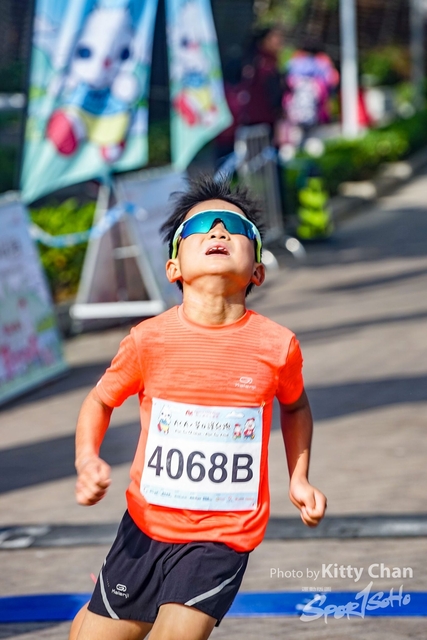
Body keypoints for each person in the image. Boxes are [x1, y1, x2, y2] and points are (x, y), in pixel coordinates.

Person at [69, 174, 327, 640]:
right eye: (201, 227)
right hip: (144, 527)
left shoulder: (277, 345)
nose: (218, 231)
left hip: (222, 534)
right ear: (174, 267)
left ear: (258, 271)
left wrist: (300, 477)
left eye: (236, 227)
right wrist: (87, 458)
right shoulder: (148, 340)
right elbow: (100, 399)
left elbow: (295, 407)